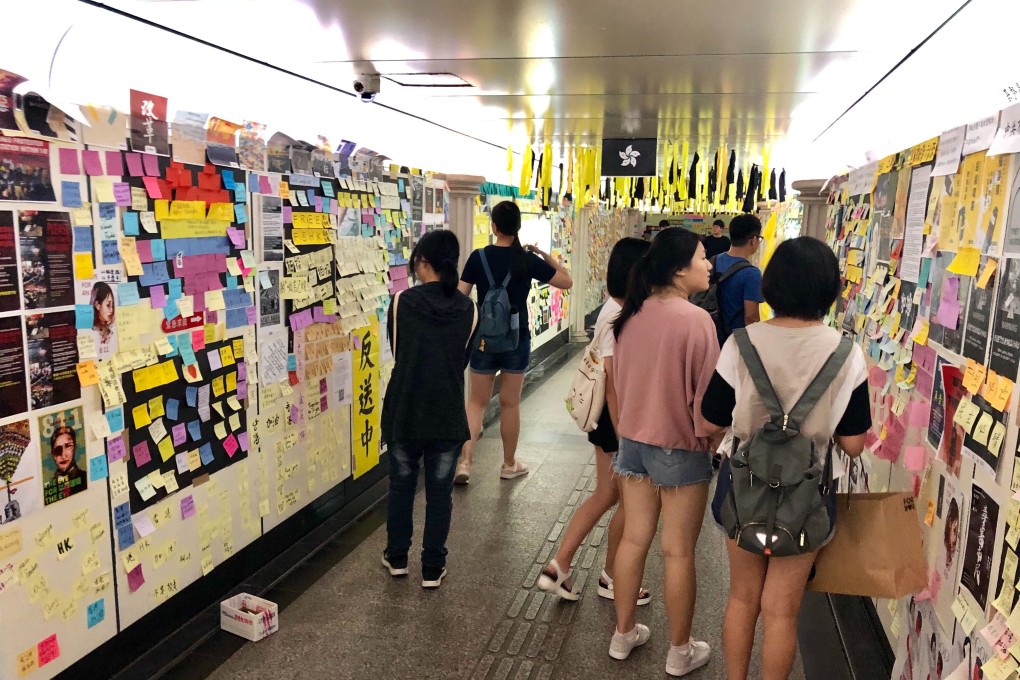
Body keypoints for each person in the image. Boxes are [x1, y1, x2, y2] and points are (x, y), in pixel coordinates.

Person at [701, 237, 872, 680]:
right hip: (807, 494)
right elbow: (853, 444)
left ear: (773, 284)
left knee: (742, 598)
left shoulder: (741, 342)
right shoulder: (846, 353)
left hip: (744, 485)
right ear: (828, 289)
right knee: (781, 611)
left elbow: (712, 416)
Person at [608, 227, 719, 676]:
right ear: (679, 269)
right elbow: (708, 403)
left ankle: (623, 634)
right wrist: (711, 438)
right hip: (680, 445)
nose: (709, 264)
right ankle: (679, 651)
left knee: (634, 538)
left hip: (632, 443)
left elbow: (620, 384)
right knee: (677, 552)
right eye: (701, 257)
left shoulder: (629, 314)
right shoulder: (696, 321)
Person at [539, 237, 652, 606]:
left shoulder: (615, 308)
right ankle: (610, 575)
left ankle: (566, 566)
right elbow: (616, 382)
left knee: (609, 494)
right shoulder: (620, 317)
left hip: (610, 419)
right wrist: (625, 439)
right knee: (624, 499)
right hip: (616, 421)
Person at [381, 230, 478, 588]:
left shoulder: (400, 302)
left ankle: (396, 557)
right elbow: (461, 359)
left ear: (423, 261)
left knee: (402, 486)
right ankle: (433, 567)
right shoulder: (469, 309)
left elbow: (399, 352)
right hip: (446, 413)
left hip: (406, 407)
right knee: (439, 493)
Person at [457, 201, 572, 483]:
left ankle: (464, 463)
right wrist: (542, 253)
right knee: (510, 404)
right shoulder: (526, 260)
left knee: (476, 403)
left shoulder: (478, 257)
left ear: (494, 226)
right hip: (516, 338)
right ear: (517, 227)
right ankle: (509, 465)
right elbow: (566, 281)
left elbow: (461, 297)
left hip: (483, 339)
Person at [714, 213, 764, 344]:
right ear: (753, 240)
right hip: (735, 341)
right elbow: (751, 317)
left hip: (711, 334)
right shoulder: (752, 274)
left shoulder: (713, 261)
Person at [49, 426, 86, 492]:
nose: (63, 455)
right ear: (53, 455)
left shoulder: (85, 479)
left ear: (74, 448)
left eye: (68, 446)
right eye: (58, 450)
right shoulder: (50, 488)